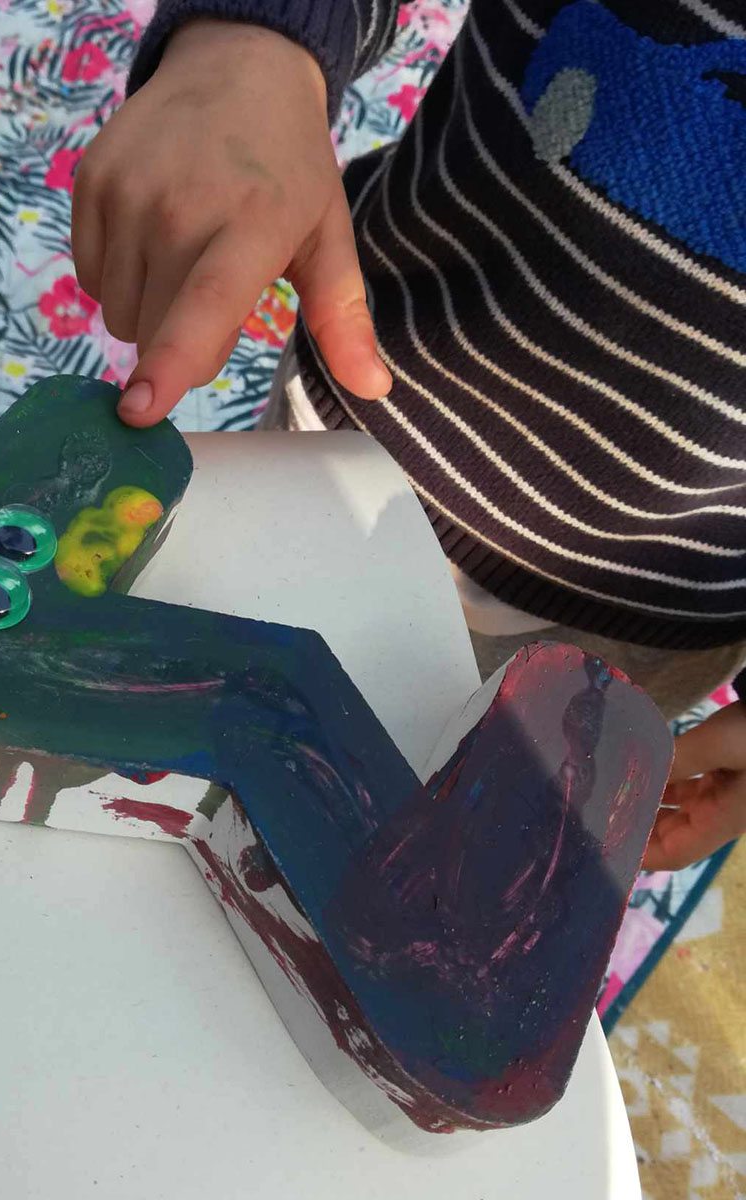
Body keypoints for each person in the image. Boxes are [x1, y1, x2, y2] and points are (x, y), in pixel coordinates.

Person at [70, 0, 746, 871]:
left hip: (656, 608)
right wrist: (254, 41)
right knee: (213, 722)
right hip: (356, 416)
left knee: (455, 837)